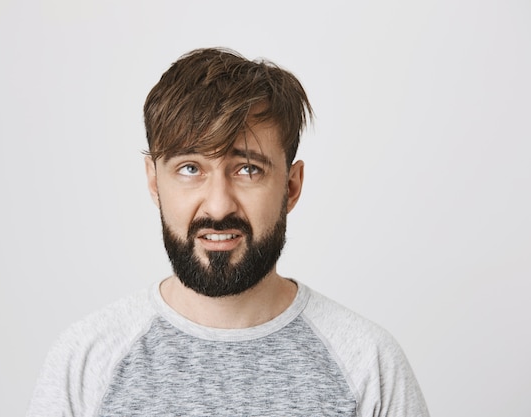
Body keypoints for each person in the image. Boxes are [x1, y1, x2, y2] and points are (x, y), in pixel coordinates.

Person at [26, 47, 430, 416]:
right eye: (190, 169)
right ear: (154, 181)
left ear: (291, 186)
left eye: (247, 169)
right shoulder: (86, 360)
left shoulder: (367, 363)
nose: (218, 205)